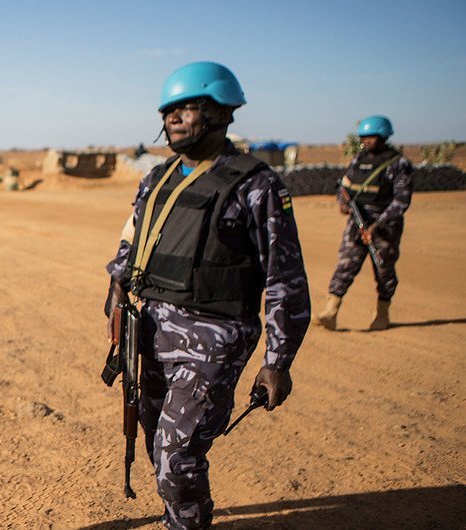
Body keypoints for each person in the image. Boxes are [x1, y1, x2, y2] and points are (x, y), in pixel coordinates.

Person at [104, 61, 311, 529]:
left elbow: (285, 279)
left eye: (188, 108)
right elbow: (131, 244)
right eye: (169, 110)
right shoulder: (157, 179)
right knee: (158, 443)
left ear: (221, 113)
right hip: (151, 329)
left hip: (215, 337)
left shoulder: (257, 185)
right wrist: (116, 294)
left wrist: (278, 361)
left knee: (177, 457)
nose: (174, 118)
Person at [312, 115, 413, 331]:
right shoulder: (359, 159)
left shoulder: (398, 163)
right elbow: (344, 186)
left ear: (383, 136)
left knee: (383, 268)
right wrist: (343, 203)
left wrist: (377, 225)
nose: (366, 141)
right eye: (363, 138)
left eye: (371, 137)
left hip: (384, 226)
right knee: (346, 264)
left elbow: (401, 201)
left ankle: (382, 314)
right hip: (356, 222)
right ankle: (331, 311)